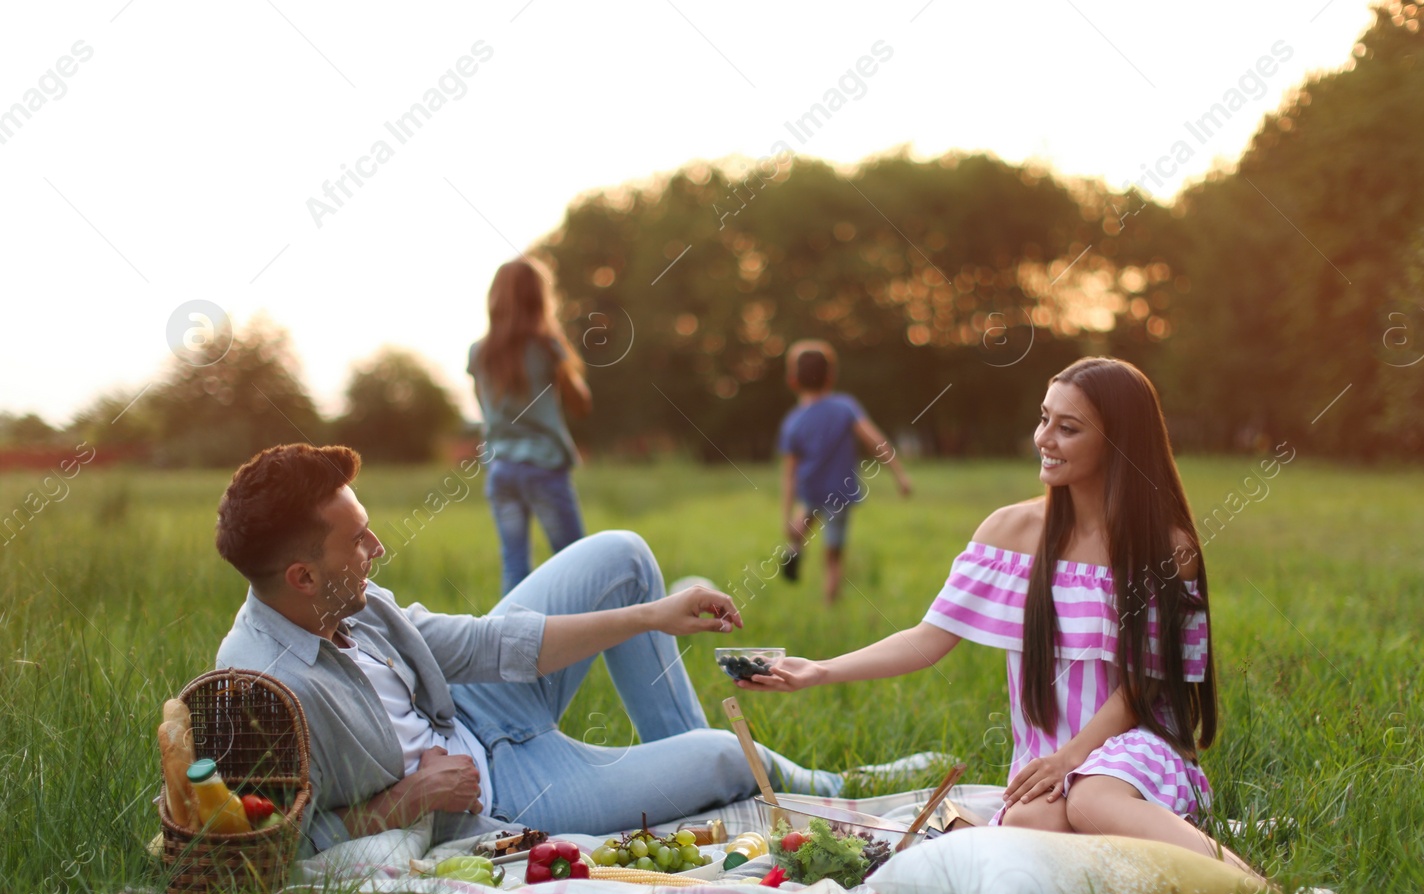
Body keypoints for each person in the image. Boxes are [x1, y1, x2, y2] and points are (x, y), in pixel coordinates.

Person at [744, 358, 1263, 881]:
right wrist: (821, 670)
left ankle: (1260, 893)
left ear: (1119, 441)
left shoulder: (1165, 547)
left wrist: (1072, 759)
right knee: (1035, 823)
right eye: (1044, 419)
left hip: (1138, 752)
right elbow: (928, 639)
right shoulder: (1008, 533)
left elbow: (1140, 689)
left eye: (1069, 428)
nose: (1045, 439)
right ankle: (1154, 875)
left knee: (1091, 802)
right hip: (1045, 765)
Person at [213, 443, 850, 858]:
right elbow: (270, 845)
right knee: (719, 755)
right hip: (504, 792)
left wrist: (650, 617)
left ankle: (703, 769)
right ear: (301, 577)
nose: (376, 549)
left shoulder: (355, 601)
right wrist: (407, 802)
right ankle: (833, 787)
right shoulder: (259, 692)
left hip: (474, 710)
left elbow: (482, 644)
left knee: (622, 554)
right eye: (355, 541)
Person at [469, 257, 591, 595]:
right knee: (575, 562)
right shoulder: (547, 348)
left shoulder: (478, 354)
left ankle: (512, 644)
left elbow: (484, 408)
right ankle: (585, 636)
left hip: (502, 468)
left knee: (515, 565)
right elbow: (581, 403)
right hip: (544, 466)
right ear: (540, 300)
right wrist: (562, 360)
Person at [777, 339, 911, 605]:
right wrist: (900, 474)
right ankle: (830, 604)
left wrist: (786, 516)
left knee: (805, 518)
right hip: (839, 492)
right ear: (831, 377)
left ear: (793, 381)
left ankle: (795, 547)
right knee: (833, 554)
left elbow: (789, 475)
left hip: (810, 490)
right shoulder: (845, 407)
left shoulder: (793, 422)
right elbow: (876, 441)